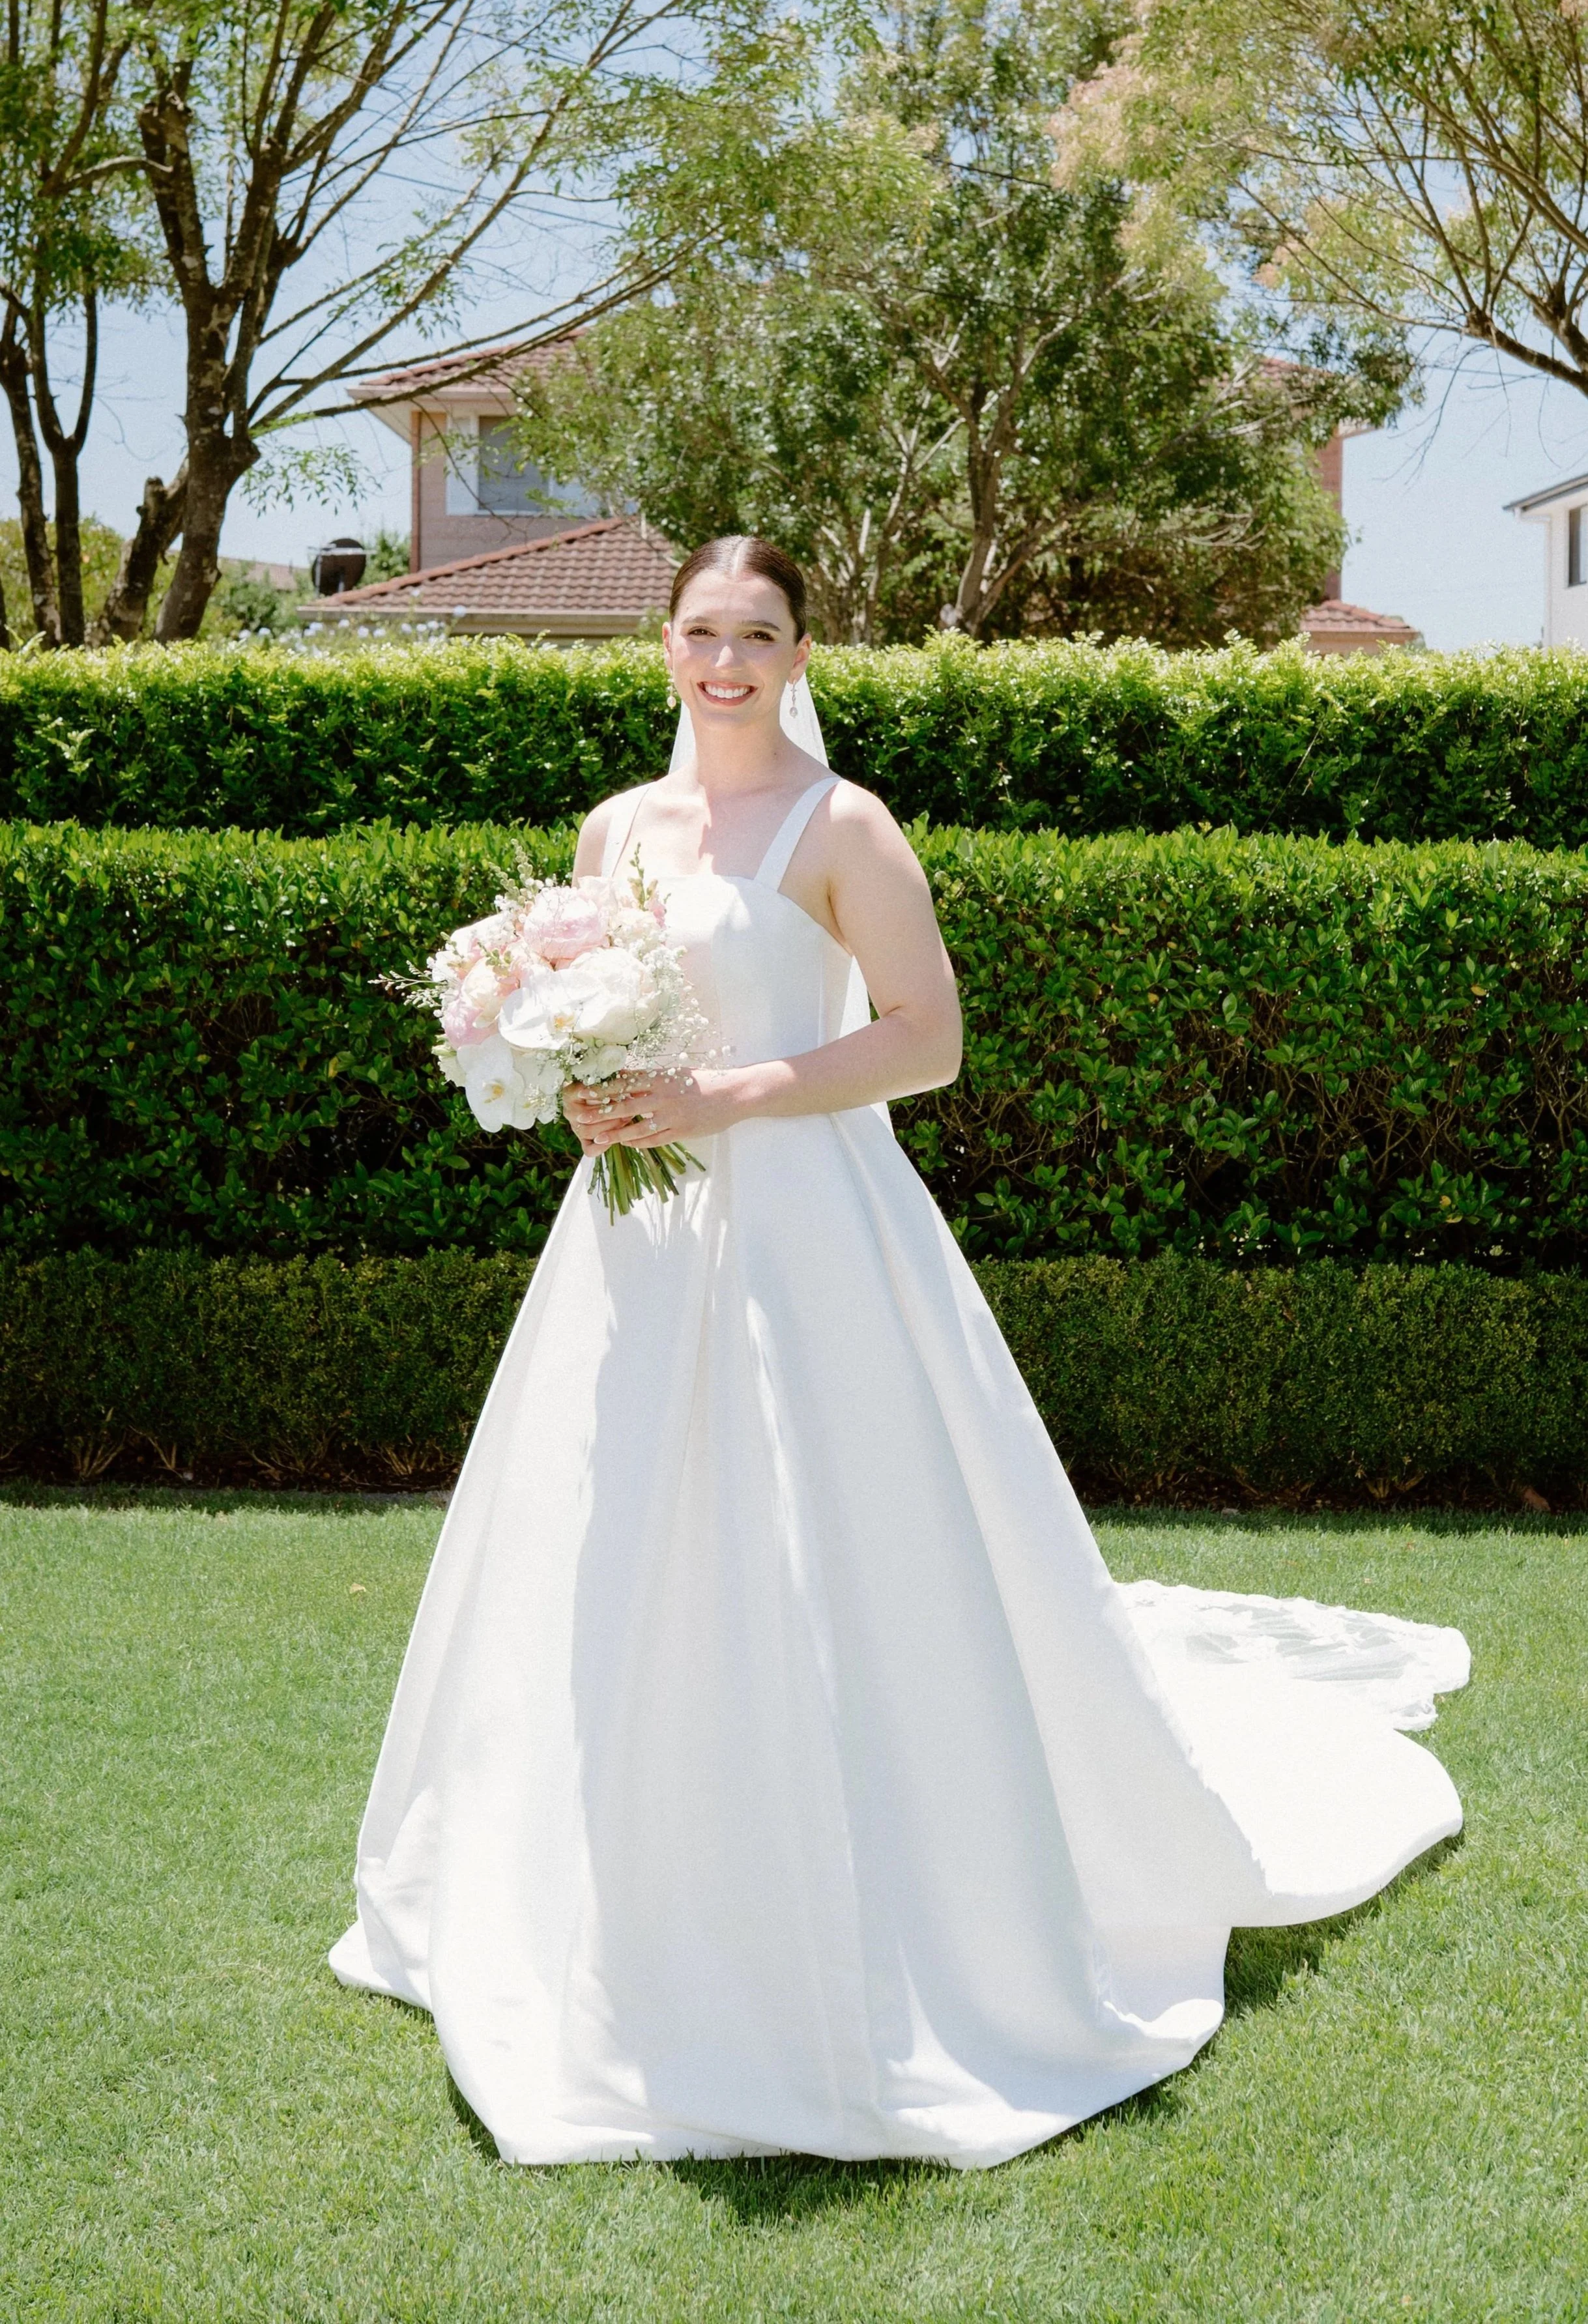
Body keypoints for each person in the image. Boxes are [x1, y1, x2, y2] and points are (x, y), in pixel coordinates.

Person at [330, 534, 1467, 2168]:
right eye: (704, 632)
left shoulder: (843, 824)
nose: (727, 660)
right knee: (614, 1550)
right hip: (639, 1243)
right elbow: (606, 1003)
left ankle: (879, 1902)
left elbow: (925, 1038)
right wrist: (578, 1078)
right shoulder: (614, 828)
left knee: (831, 1553)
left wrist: (728, 1094)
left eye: (760, 634)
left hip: (811, 1232)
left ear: (801, 654)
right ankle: (607, 1901)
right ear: (665, 646)